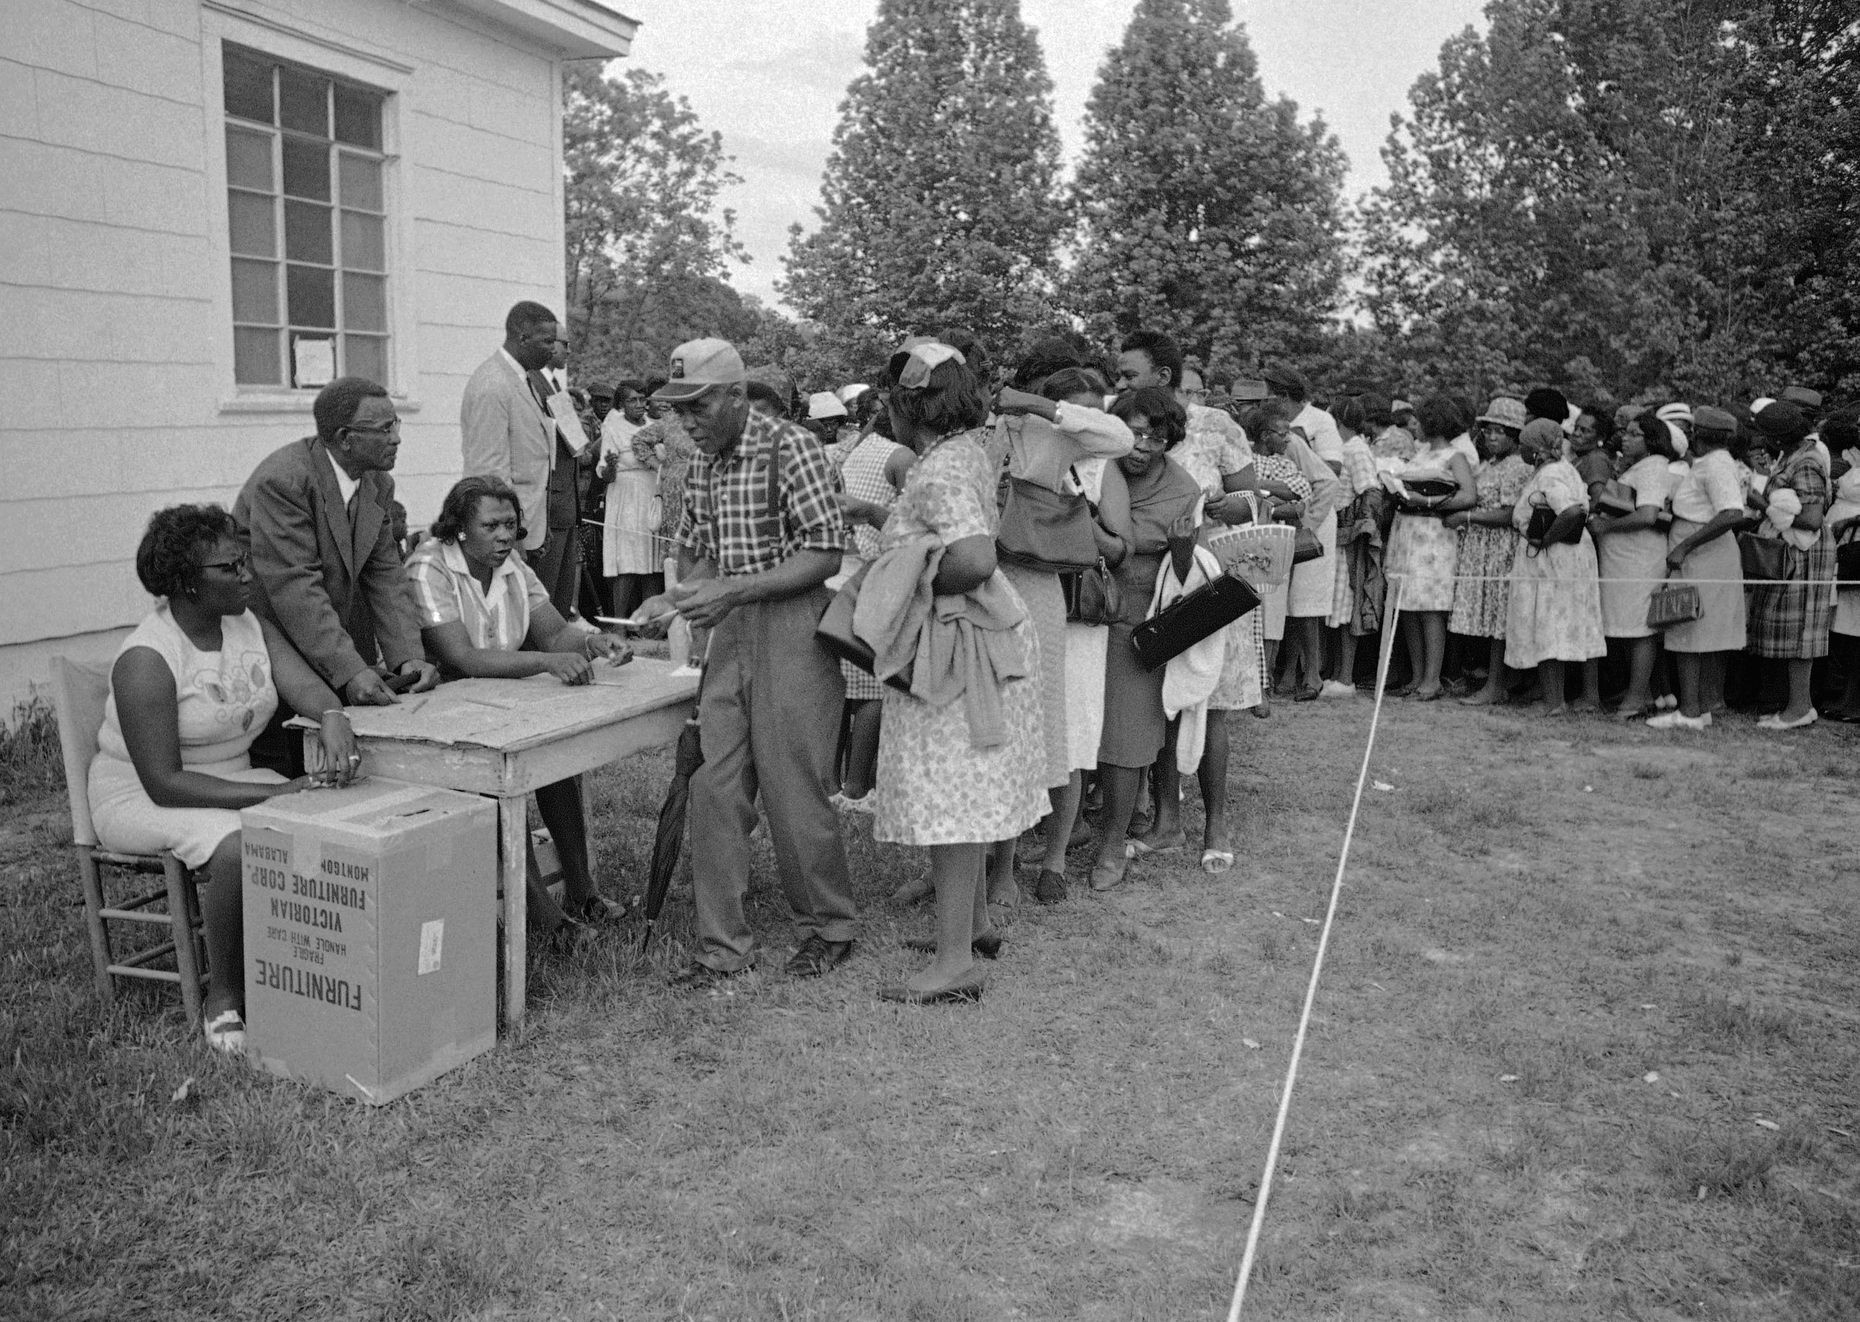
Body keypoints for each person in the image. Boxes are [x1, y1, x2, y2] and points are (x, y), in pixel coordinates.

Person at [91, 505, 360, 1054]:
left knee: (336, 809)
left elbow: (306, 688)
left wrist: (334, 717)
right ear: (185, 584)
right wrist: (275, 793)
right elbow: (165, 782)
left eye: (245, 561)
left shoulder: (248, 623)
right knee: (238, 846)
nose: (247, 576)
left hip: (231, 775)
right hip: (142, 793)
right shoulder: (148, 658)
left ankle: (319, 963)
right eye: (229, 568)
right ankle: (226, 997)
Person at [634, 338, 856, 986]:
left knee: (793, 787)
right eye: (680, 410)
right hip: (730, 633)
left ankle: (829, 927)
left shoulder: (794, 448)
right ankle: (722, 948)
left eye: (698, 406)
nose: (688, 422)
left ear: (734, 395)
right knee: (714, 786)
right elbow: (701, 556)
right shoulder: (701, 465)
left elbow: (824, 553)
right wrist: (669, 600)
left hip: (794, 627)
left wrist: (735, 589)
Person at [865, 342, 1049, 1002]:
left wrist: (910, 584)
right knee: (969, 782)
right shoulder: (966, 452)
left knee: (952, 791)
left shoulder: (937, 471)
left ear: (904, 402)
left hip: (955, 642)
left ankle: (954, 963)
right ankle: (969, 927)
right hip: (985, 633)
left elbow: (972, 557)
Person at [406, 476, 632, 938]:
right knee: (506, 784)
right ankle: (546, 920)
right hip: (438, 717)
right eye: (491, 526)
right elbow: (462, 658)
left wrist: (592, 642)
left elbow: (553, 633)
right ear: (459, 529)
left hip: (498, 705)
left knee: (555, 761)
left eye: (510, 524)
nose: (505, 535)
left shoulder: (513, 567)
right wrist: (549, 661)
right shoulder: (429, 567)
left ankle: (582, 892)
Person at [985, 340, 1136, 908]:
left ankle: (1048, 862)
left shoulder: (1082, 445)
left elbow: (1116, 435)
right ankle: (992, 864)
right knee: (1005, 725)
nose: (1085, 421)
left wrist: (1049, 410)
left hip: (1067, 603)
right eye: (1075, 408)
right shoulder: (1004, 432)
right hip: (1002, 579)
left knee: (1061, 734)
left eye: (1089, 411)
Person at [233, 377, 438, 728]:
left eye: (396, 424)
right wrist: (350, 670)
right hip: (271, 636)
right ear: (345, 438)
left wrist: (408, 658)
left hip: (324, 631)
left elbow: (386, 573)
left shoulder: (377, 482)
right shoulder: (283, 482)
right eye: (385, 428)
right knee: (290, 745)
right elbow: (295, 588)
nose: (396, 437)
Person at [1091, 386, 1204, 893]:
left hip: (1137, 627)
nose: (1140, 446)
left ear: (1169, 442)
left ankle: (1112, 844)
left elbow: (1191, 579)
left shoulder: (1184, 489)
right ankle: (1063, 828)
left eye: (1154, 438)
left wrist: (1181, 551)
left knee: (1125, 740)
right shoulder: (1095, 464)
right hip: (1081, 611)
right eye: (1132, 433)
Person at [460, 301, 585, 615]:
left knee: (545, 622)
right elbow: (488, 474)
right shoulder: (493, 385)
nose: (551, 350)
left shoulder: (525, 380)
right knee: (521, 627)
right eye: (546, 342)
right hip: (513, 537)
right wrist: (510, 536)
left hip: (535, 527)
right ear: (522, 337)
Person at [832, 401, 915, 813]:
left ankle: (831, 783)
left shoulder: (859, 447)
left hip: (842, 572)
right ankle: (857, 788)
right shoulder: (902, 457)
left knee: (843, 689)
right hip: (872, 574)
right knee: (873, 692)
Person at [1649, 406, 1747, 730]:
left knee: (1689, 627)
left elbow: (1732, 512)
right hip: (1701, 550)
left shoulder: (1717, 465)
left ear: (1697, 434)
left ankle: (1691, 710)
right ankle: (1702, 706)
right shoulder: (1709, 463)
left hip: (1702, 554)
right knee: (1700, 630)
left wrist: (1685, 545)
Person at [1744, 400, 1836, 730]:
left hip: (1806, 551)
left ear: (1778, 436)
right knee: (1788, 627)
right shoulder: (1794, 455)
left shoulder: (1807, 461)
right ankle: (1796, 704)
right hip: (1792, 548)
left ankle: (1799, 708)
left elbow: (1811, 519)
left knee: (1801, 631)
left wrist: (1761, 503)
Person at [1504, 419, 1606, 716]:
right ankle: (1589, 696)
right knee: (1578, 620)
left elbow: (1572, 510)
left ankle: (1554, 700)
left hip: (1555, 555)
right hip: (1574, 554)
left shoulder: (1550, 475)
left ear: (1535, 449)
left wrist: (1546, 539)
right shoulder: (1566, 469)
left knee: (1549, 619)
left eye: (1524, 444)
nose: (1520, 449)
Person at [1384, 395, 1477, 699]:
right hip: (1408, 532)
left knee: (1430, 607)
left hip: (1433, 535)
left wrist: (1431, 502)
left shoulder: (1454, 455)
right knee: (1408, 606)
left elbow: (1467, 496)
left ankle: (1432, 677)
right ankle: (1416, 673)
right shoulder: (1420, 453)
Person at [1589, 413, 1680, 719]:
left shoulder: (1653, 468)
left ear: (1652, 440)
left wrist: (1607, 527)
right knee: (1628, 628)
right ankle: (1648, 693)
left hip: (1639, 559)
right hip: (1624, 560)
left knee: (1640, 628)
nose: (1625, 439)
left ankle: (1637, 697)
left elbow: (1647, 515)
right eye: (1625, 434)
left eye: (1634, 434)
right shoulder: (1639, 467)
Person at [1446, 398, 1530, 706]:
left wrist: (1468, 518)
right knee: (1486, 617)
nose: (1492, 438)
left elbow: (1510, 514)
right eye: (1488, 431)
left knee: (1498, 617)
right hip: (1481, 546)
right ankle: (1491, 681)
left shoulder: (1519, 467)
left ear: (1514, 436)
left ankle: (1495, 685)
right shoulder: (1490, 464)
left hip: (1500, 546)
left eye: (1500, 432)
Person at [1322, 394, 1383, 697]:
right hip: (1333, 535)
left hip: (1348, 538)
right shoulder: (1341, 448)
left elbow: (1370, 490)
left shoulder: (1356, 449)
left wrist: (1357, 527)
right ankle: (1335, 674)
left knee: (1347, 608)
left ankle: (1345, 677)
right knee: (1335, 609)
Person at [597, 379, 661, 618]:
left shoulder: (656, 426)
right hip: (625, 497)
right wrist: (611, 467)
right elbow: (605, 473)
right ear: (622, 404)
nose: (639, 404)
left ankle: (648, 623)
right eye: (632, 400)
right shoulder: (613, 428)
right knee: (628, 561)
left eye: (642, 399)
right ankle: (620, 624)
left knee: (652, 562)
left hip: (652, 493)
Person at [1820, 409, 1860, 721]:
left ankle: (1853, 699)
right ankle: (1840, 693)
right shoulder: (1854, 460)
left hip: (1855, 544)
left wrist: (1851, 519)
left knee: (1856, 628)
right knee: (1844, 628)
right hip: (1844, 549)